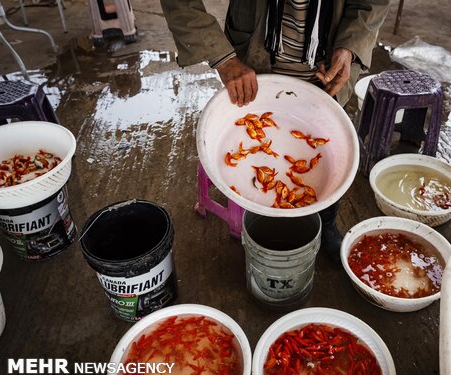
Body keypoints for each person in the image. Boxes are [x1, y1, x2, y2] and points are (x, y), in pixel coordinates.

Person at [160, 0, 390, 260]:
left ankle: (325, 222)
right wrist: (224, 59)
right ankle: (258, 219)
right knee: (259, 160)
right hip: (255, 58)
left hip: (324, 66)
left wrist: (351, 46)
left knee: (328, 152)